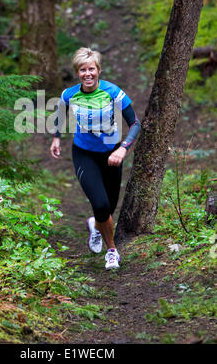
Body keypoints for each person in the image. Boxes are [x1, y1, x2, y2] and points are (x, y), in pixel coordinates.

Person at [50, 47, 141, 270]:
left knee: (108, 208)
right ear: (77, 72)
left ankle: (95, 225)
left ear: (98, 70)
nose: (87, 74)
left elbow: (135, 123)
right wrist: (56, 138)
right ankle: (112, 251)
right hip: (84, 154)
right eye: (83, 70)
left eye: (91, 69)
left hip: (112, 155)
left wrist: (123, 149)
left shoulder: (113, 92)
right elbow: (59, 115)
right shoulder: (69, 94)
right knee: (100, 205)